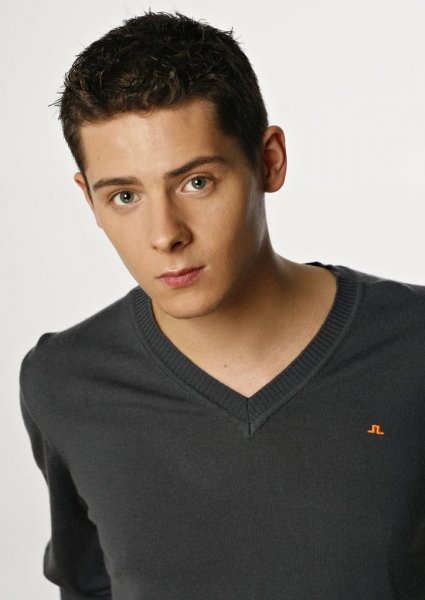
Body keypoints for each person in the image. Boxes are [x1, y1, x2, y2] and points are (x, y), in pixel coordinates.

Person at [19, 9, 425, 600]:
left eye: (196, 182)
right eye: (125, 196)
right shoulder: (65, 382)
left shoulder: (413, 346)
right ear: (89, 199)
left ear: (269, 161)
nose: (165, 234)